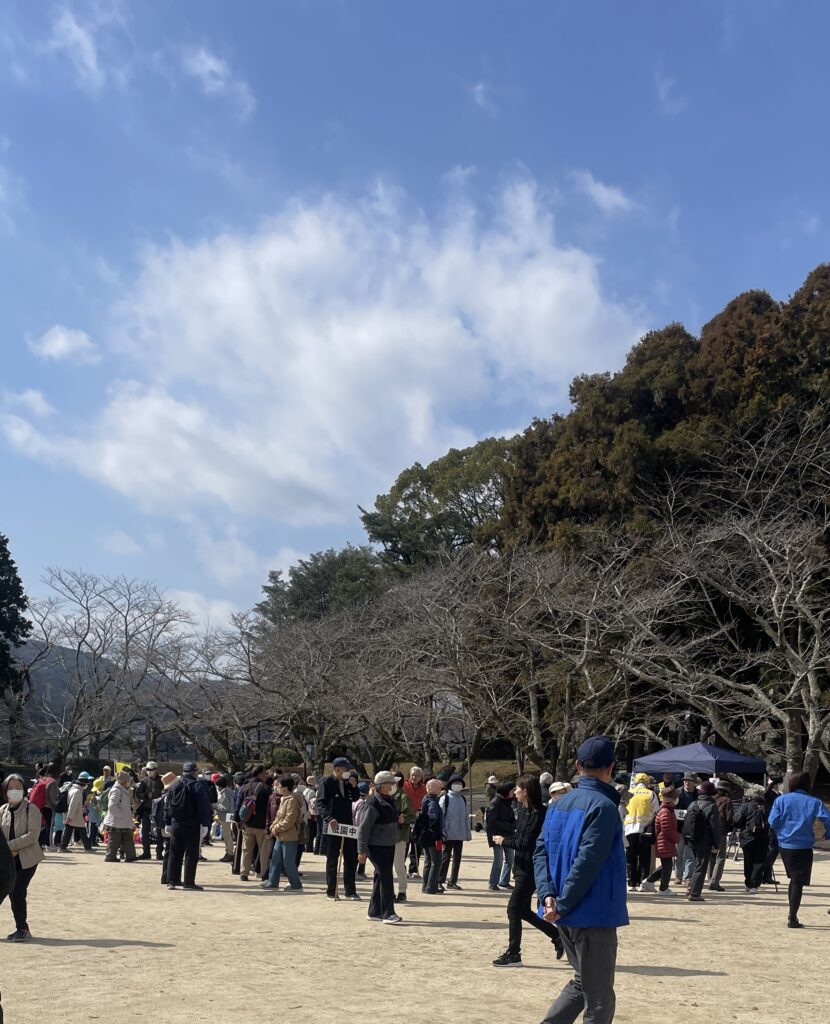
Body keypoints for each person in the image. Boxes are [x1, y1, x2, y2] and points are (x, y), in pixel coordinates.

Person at [533, 736, 628, 1024]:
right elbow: (587, 861)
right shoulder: (604, 807)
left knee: (581, 982)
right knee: (599, 998)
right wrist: (562, 901)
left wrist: (548, 894)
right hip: (591, 911)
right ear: (610, 768)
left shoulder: (558, 804)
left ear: (577, 765)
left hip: (564, 909)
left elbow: (540, 852)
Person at [492, 774, 563, 967]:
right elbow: (520, 836)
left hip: (532, 869)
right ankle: (557, 936)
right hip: (521, 866)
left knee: (513, 909)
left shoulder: (540, 813)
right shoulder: (523, 811)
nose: (514, 791)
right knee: (522, 910)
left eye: (517, 788)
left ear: (525, 791)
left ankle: (514, 953)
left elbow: (527, 843)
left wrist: (503, 841)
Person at [767, 771, 830, 928]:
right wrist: (826, 835)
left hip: (784, 844)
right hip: (803, 846)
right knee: (797, 882)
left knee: (794, 879)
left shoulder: (781, 800)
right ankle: (792, 916)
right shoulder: (814, 802)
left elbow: (772, 821)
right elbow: (828, 819)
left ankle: (792, 914)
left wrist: (781, 832)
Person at [0, 774, 45, 941]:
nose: (14, 791)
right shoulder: (2, 810)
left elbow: (32, 835)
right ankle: (21, 927)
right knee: (6, 891)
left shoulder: (31, 809)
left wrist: (9, 847)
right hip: (7, 860)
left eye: (18, 788)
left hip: (27, 859)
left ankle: (22, 928)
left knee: (17, 891)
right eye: (10, 788)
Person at [358, 771, 402, 923]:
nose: (393, 786)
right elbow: (363, 829)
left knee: (380, 876)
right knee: (386, 878)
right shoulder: (372, 803)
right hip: (376, 846)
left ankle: (375, 911)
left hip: (387, 843)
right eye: (391, 783)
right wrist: (361, 851)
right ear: (382, 785)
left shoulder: (389, 799)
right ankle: (388, 913)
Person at [317, 757, 360, 900]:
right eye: (346, 769)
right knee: (332, 859)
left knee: (351, 858)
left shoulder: (348, 783)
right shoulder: (326, 783)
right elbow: (321, 804)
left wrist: (354, 786)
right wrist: (329, 818)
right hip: (333, 825)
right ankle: (331, 890)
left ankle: (350, 890)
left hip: (347, 824)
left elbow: (355, 798)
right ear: (337, 769)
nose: (348, 772)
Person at [165, 761, 212, 891]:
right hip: (192, 824)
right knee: (191, 853)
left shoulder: (174, 786)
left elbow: (167, 805)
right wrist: (205, 824)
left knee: (175, 853)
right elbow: (202, 807)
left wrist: (168, 822)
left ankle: (172, 881)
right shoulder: (197, 786)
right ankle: (189, 882)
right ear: (194, 772)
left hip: (175, 823)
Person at [682, 781, 721, 902]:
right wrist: (716, 844)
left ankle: (691, 887)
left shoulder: (692, 803)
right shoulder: (711, 806)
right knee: (701, 866)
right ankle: (694, 893)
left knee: (696, 864)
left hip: (691, 839)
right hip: (704, 840)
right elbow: (715, 827)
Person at [262, 775, 303, 891]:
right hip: (281, 835)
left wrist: (277, 827)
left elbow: (290, 819)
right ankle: (272, 882)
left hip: (289, 836)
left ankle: (296, 885)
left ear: (285, 788)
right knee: (276, 859)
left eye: (279, 786)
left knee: (288, 862)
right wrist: (273, 826)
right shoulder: (284, 799)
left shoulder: (292, 800)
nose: (277, 788)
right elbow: (279, 816)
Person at [623, 772, 659, 892]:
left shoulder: (628, 793)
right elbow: (656, 813)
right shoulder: (651, 794)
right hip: (645, 830)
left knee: (630, 858)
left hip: (629, 830)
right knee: (645, 858)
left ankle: (631, 883)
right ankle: (643, 883)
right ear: (647, 782)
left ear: (636, 782)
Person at [641, 787, 680, 894]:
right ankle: (663, 888)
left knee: (666, 865)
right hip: (665, 842)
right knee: (667, 866)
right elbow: (667, 829)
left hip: (664, 842)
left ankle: (648, 882)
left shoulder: (666, 810)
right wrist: (676, 838)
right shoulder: (665, 811)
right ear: (671, 799)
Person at [238, 766, 271, 882]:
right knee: (264, 850)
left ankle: (244, 872)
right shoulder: (265, 788)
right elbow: (270, 807)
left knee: (246, 849)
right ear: (260, 774)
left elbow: (238, 804)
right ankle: (263, 873)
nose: (266, 775)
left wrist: (238, 819)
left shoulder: (244, 787)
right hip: (262, 824)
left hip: (247, 823)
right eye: (265, 773)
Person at [734, 784, 768, 894]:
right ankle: (755, 884)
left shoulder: (746, 805)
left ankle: (748, 882)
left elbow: (737, 820)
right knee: (759, 861)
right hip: (762, 837)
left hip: (747, 836)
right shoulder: (767, 806)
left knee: (748, 861)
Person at [439, 774, 471, 890]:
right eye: (455, 783)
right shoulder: (445, 798)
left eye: (459, 783)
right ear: (450, 785)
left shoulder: (462, 799)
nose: (457, 786)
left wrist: (467, 833)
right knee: (446, 857)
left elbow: (466, 817)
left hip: (460, 833)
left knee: (457, 858)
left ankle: (453, 881)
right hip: (448, 833)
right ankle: (440, 880)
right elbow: (440, 817)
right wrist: (442, 832)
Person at [486, 781, 517, 890]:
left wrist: (514, 824)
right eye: (512, 790)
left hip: (508, 835)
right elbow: (492, 821)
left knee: (510, 859)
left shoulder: (509, 802)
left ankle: (504, 881)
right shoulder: (495, 802)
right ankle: (493, 882)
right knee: (498, 860)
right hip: (496, 835)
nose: (514, 792)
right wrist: (508, 826)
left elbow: (512, 817)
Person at [416, 778, 445, 895]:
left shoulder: (425, 800)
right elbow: (432, 818)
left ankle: (425, 885)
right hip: (433, 836)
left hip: (424, 835)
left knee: (428, 861)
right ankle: (431, 887)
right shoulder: (433, 802)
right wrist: (438, 834)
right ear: (437, 789)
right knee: (436, 861)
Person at [103, 770, 137, 863]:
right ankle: (110, 856)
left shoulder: (123, 790)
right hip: (116, 821)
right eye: (128, 781)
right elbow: (112, 805)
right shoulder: (116, 790)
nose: (130, 783)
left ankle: (131, 856)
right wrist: (120, 815)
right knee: (114, 840)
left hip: (123, 821)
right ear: (123, 782)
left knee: (128, 839)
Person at [707, 780, 734, 892]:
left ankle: (710, 879)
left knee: (711, 856)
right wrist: (731, 828)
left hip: (709, 830)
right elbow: (729, 818)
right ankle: (715, 882)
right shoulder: (727, 801)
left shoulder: (711, 799)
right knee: (720, 857)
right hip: (721, 831)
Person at [134, 761, 163, 860]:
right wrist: (146, 795)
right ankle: (146, 852)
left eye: (151, 769)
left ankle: (159, 853)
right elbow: (138, 793)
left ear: (156, 769)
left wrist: (159, 796)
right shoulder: (144, 781)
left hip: (159, 809)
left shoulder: (162, 780)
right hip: (147, 808)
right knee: (145, 831)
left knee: (159, 831)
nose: (149, 771)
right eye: (148, 770)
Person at [674, 773, 699, 886]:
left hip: (692, 828)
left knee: (690, 854)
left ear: (694, 782)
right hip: (679, 827)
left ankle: (687, 877)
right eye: (685, 780)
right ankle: (678, 876)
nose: (687, 783)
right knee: (678, 853)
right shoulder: (677, 793)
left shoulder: (698, 794)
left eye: (689, 781)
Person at [391, 771, 412, 904]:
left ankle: (402, 891)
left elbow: (411, 815)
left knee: (398, 865)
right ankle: (390, 891)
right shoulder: (385, 796)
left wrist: (403, 818)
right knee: (386, 866)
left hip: (399, 835)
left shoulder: (403, 797)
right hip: (385, 836)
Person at [60, 772, 92, 851]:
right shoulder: (77, 792)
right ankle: (87, 847)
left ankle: (63, 847)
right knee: (81, 830)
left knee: (70, 829)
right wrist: (70, 816)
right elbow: (73, 805)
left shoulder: (74, 789)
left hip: (73, 814)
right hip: (75, 814)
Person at [404, 766, 427, 878]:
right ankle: (401, 868)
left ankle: (413, 869)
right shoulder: (404, 786)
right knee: (404, 845)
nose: (414, 777)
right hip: (405, 820)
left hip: (418, 820)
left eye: (416, 775)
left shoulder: (424, 788)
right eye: (412, 775)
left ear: (421, 777)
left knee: (417, 846)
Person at [213, 775, 235, 862]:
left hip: (226, 817)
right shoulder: (229, 791)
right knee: (227, 835)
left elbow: (224, 807)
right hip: (228, 816)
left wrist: (213, 805)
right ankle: (228, 852)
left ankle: (230, 853)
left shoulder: (224, 793)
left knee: (227, 836)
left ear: (218, 785)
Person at [305, 776, 321, 854]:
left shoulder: (305, 790)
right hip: (310, 813)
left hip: (306, 813)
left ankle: (307, 847)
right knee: (311, 832)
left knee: (308, 831)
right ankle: (309, 847)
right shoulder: (312, 792)